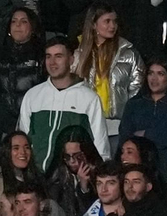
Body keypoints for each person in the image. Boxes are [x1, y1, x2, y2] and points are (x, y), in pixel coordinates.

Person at [19, 35, 110, 171]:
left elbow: (100, 145)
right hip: (36, 178)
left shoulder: (89, 98)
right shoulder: (33, 95)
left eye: (58, 56)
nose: (52, 62)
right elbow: (23, 139)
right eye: (48, 56)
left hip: (71, 180)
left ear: (71, 59)